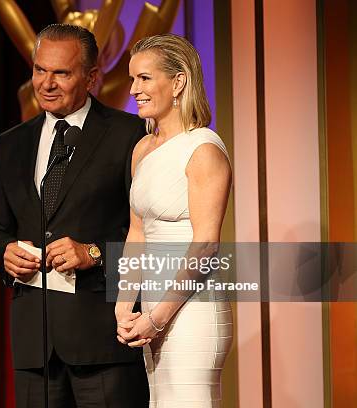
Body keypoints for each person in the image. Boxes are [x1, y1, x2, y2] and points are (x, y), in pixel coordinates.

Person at [0, 24, 149, 407]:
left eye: (61, 73)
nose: (46, 83)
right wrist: (3, 252)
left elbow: (153, 235)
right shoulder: (10, 145)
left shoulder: (130, 135)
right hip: (34, 347)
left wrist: (94, 253)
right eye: (40, 70)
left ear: (91, 77)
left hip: (105, 343)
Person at [115, 34, 233, 407]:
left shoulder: (203, 150)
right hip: (151, 308)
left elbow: (206, 244)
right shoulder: (143, 148)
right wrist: (123, 305)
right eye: (133, 79)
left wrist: (158, 318)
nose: (134, 89)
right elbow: (137, 233)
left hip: (192, 308)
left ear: (178, 81)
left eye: (144, 78)